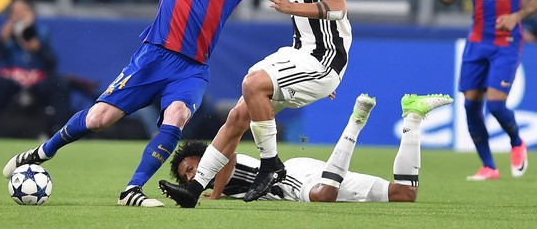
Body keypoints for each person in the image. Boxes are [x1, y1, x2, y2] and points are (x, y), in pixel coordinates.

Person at [1, 0, 369, 208]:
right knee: (99, 118)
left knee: (175, 117)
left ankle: (132, 190)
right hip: (153, 55)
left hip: (192, 68)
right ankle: (41, 153)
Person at [158, 0, 357, 206]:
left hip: (321, 60)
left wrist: (291, 9)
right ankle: (194, 189)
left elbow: (338, 7)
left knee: (253, 85)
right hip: (301, 55)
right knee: (238, 114)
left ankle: (271, 164)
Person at [162, 94, 454, 204]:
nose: (191, 176)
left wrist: (212, 193)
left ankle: (356, 120)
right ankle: (414, 116)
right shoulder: (219, 188)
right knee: (404, 194)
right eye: (187, 176)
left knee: (322, 196)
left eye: (191, 167)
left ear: (203, 157)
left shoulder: (221, 165)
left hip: (291, 178)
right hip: (311, 172)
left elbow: (229, 156)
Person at [427, 0, 537, 181]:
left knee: (497, 105)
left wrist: (517, 16)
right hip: (477, 41)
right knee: (470, 105)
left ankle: (516, 142)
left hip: (507, 41)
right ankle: (489, 166)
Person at [0, 0, 71, 138]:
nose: (19, 15)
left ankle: (59, 131)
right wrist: (1, 41)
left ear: (32, 14)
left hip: (37, 79)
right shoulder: (5, 34)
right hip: (13, 79)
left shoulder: (41, 32)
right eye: (15, 12)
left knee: (59, 84)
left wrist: (37, 48)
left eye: (24, 11)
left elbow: (52, 62)